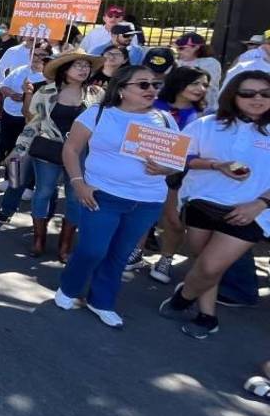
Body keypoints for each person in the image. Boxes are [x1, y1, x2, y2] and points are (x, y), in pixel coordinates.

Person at [56, 65, 179, 328]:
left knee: (119, 254)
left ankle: (101, 301)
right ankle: (69, 288)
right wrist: (78, 184)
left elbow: (176, 163)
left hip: (147, 201)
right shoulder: (99, 114)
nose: (151, 89)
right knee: (92, 249)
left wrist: (166, 168)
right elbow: (71, 148)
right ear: (122, 89)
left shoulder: (166, 120)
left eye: (155, 84)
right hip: (103, 195)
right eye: (143, 84)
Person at [158, 71, 270, 339]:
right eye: (248, 93)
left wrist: (260, 203)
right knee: (206, 265)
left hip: (250, 211)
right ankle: (208, 316)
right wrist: (216, 165)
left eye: (265, 94)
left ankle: (183, 298)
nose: (258, 99)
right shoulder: (206, 124)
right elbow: (179, 159)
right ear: (233, 95)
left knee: (209, 267)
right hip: (201, 203)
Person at [0, 51, 102, 258]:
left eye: (86, 65)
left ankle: (66, 246)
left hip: (81, 153)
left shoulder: (97, 94)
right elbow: (33, 124)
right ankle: (39, 240)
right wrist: (18, 151)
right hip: (48, 150)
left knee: (75, 197)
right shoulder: (45, 92)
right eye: (78, 65)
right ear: (65, 70)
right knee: (43, 192)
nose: (84, 69)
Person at [148, 66, 211, 284]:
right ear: (179, 82)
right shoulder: (152, 104)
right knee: (141, 216)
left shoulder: (205, 116)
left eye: (204, 85)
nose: (201, 89)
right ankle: (134, 252)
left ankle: (166, 259)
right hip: (146, 169)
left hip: (179, 175)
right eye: (195, 83)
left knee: (173, 221)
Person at [0, 46, 52, 168]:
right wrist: (12, 94)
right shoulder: (20, 70)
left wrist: (27, 96)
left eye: (42, 55)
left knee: (22, 150)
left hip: (31, 119)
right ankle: (10, 180)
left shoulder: (49, 78)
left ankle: (25, 183)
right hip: (9, 114)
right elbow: (4, 86)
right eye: (35, 54)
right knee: (9, 147)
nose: (38, 58)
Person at [173, 33, 222, 110]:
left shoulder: (210, 63)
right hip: (182, 107)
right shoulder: (178, 62)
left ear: (196, 47)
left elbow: (207, 84)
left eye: (182, 48)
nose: (178, 52)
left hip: (206, 109)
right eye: (177, 49)